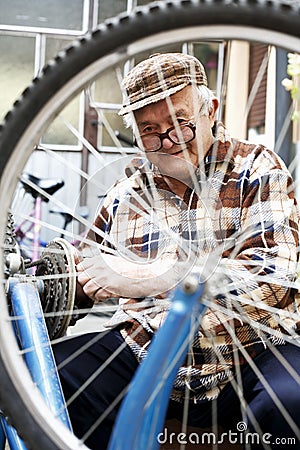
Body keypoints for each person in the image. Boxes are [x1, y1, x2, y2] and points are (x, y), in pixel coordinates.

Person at [53, 53, 300, 449]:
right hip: (146, 348)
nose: (167, 140)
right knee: (50, 381)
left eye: (179, 122)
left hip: (252, 353)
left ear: (210, 110)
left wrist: (150, 277)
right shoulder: (127, 192)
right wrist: (67, 281)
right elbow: (87, 268)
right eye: (150, 129)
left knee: (289, 404)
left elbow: (272, 279)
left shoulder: (258, 168)